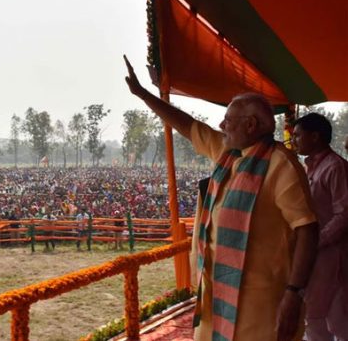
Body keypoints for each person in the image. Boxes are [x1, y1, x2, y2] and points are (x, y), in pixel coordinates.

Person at [124, 55, 319, 341]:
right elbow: (187, 125)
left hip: (261, 302)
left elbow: (308, 229)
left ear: (251, 125)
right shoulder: (228, 154)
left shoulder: (281, 165)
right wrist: (143, 95)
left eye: (228, 120)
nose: (221, 125)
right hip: (216, 293)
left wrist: (294, 292)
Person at [291, 113, 348, 341]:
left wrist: (314, 242)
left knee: (338, 318)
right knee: (314, 316)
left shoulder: (335, 167)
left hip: (332, 258)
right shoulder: (311, 167)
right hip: (315, 257)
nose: (293, 140)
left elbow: (344, 215)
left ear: (315, 137)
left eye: (297, 135)